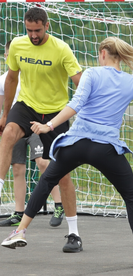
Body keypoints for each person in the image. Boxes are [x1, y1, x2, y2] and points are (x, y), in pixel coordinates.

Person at [1, 36, 133, 268]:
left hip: (76, 143)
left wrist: (49, 125)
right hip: (106, 148)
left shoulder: (91, 74)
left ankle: (20, 231)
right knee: (131, 197)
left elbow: (75, 104)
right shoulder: (132, 82)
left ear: (103, 53)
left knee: (46, 181)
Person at [0, 7, 82, 252]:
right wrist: (5, 113)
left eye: (37, 30)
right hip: (27, 105)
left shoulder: (61, 49)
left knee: (63, 174)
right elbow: (12, 79)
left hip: (56, 113)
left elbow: (81, 82)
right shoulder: (17, 45)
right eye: (29, 30)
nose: (33, 35)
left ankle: (74, 234)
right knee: (8, 134)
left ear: (46, 26)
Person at [0, 40, 64, 227]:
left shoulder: (32, 74)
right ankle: (18, 212)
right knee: (17, 168)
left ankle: (59, 204)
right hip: (15, 127)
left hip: (34, 124)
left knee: (44, 162)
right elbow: (4, 106)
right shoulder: (4, 79)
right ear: (7, 56)